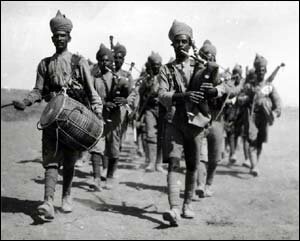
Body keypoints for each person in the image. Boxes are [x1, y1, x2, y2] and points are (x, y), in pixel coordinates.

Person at [13, 10, 103, 220]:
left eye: (63, 35)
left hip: (75, 118)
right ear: (52, 38)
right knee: (51, 159)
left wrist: (97, 111)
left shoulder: (79, 62)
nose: (59, 39)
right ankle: (48, 202)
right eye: (56, 36)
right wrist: (25, 102)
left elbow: (91, 92)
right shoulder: (44, 64)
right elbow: (38, 90)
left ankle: (67, 195)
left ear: (69, 38)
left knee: (70, 160)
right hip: (52, 117)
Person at [158, 20, 222, 226]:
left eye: (184, 42)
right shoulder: (166, 70)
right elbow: (162, 95)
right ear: (172, 45)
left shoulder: (201, 66)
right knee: (174, 163)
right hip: (175, 121)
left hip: (196, 123)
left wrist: (214, 85)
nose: (180, 46)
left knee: (193, 164)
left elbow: (221, 88)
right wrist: (184, 95)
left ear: (190, 43)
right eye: (176, 42)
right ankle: (174, 208)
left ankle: (188, 204)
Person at [91, 43, 131, 189]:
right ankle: (96, 178)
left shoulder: (120, 77)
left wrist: (124, 96)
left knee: (113, 148)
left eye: (107, 61)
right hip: (99, 116)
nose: (104, 63)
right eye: (101, 60)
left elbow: (130, 94)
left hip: (115, 117)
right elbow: (91, 96)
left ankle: (109, 176)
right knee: (96, 146)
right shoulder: (95, 78)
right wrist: (102, 103)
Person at [237, 54, 282, 176]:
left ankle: (255, 162)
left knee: (260, 141)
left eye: (263, 70)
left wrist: (276, 111)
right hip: (251, 116)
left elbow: (277, 99)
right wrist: (247, 97)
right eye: (259, 70)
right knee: (252, 140)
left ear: (266, 71)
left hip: (264, 117)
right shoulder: (249, 86)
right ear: (256, 71)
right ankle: (254, 166)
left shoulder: (269, 85)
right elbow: (239, 99)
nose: (261, 72)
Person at [136, 51, 166, 172]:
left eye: (158, 64)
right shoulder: (146, 78)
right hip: (150, 109)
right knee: (150, 135)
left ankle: (159, 163)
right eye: (153, 64)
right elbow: (140, 94)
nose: (156, 66)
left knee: (162, 136)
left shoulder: (165, 76)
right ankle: (151, 162)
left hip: (163, 108)